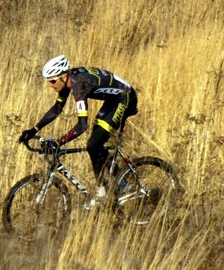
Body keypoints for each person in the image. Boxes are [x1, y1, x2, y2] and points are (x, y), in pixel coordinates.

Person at [18, 55, 139, 206]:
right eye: (49, 81)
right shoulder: (67, 81)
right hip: (113, 100)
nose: (50, 85)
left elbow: (82, 126)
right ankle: (122, 184)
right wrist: (33, 130)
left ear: (63, 77)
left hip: (125, 98)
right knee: (97, 143)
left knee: (93, 144)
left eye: (53, 80)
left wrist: (59, 142)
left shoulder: (79, 85)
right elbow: (56, 109)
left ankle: (102, 192)